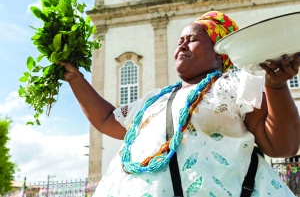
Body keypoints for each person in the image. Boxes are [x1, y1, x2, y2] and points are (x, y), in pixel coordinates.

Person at [61, 11, 300, 196]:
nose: (182, 45)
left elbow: (281, 146)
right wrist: (75, 77)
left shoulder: (236, 84)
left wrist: (276, 86)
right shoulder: (154, 100)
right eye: (180, 41)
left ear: (219, 53)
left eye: (192, 39)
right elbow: (106, 119)